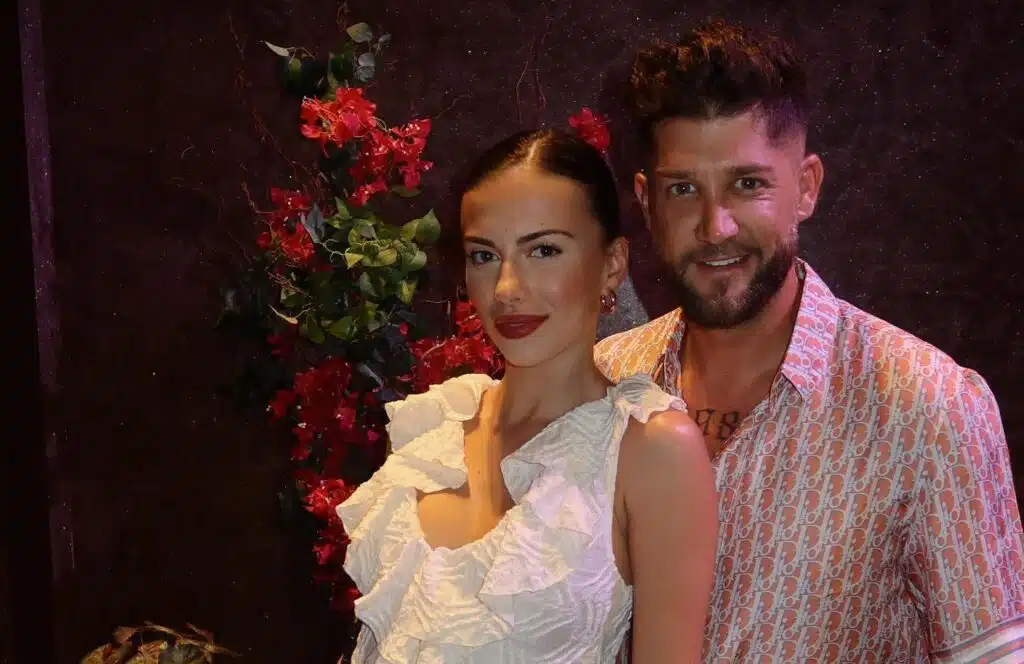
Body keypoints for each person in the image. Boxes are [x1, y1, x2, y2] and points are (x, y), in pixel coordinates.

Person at [595, 19, 1024, 663]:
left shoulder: (929, 407)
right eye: (683, 189)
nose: (715, 226)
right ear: (646, 201)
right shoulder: (605, 382)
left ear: (806, 187)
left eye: (748, 184)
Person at [337, 129, 719, 663]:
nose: (507, 288)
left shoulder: (650, 449)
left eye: (543, 250)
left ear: (612, 264)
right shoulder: (433, 432)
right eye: (484, 255)